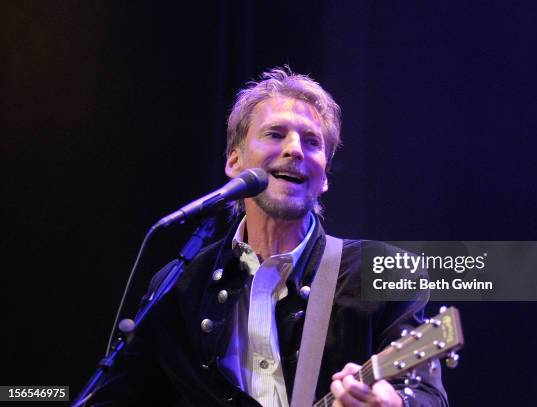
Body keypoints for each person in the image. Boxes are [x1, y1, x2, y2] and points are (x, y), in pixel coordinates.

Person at [87, 67, 448, 406]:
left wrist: (394, 402)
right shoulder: (180, 286)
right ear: (234, 161)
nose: (294, 150)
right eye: (275, 134)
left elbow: (426, 394)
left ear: (323, 177)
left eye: (312, 142)